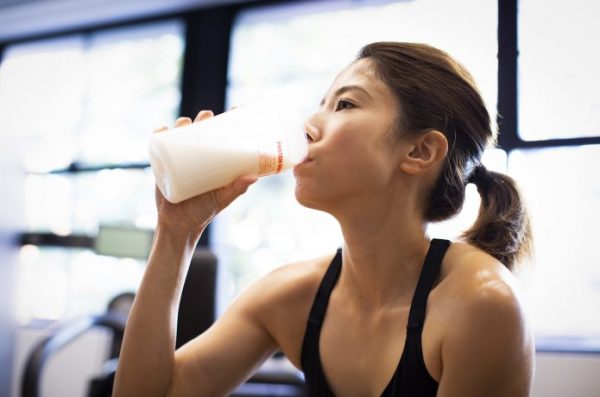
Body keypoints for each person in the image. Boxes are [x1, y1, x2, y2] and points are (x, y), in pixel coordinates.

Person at [114, 42, 534, 397]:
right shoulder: (290, 297)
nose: (309, 126)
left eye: (345, 104)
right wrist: (176, 231)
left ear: (420, 151)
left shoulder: (481, 305)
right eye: (321, 105)